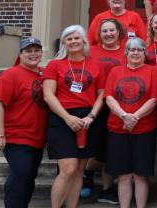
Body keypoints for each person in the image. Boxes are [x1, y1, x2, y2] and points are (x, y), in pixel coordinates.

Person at [43, 25, 106, 208]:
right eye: (69, 39)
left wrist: (91, 117)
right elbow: (48, 95)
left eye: (77, 38)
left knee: (79, 170)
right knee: (68, 168)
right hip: (62, 117)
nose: (73, 41)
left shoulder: (96, 64)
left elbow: (102, 94)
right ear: (64, 42)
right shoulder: (55, 65)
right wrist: (67, 118)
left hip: (87, 119)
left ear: (84, 41)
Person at [0, 38, 47, 208]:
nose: (33, 54)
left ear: (42, 53)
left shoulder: (45, 74)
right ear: (20, 54)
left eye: (37, 50)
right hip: (16, 137)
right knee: (22, 173)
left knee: (28, 177)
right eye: (28, 51)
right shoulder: (10, 75)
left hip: (38, 138)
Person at [104, 38, 157, 208]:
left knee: (140, 175)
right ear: (126, 53)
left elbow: (154, 99)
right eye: (131, 50)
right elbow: (109, 97)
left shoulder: (153, 72)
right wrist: (124, 116)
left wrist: (134, 117)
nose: (135, 53)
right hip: (118, 129)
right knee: (123, 175)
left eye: (139, 50)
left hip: (144, 130)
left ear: (145, 53)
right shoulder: (115, 72)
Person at [85, 19, 128, 203]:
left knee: (110, 150)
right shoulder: (90, 51)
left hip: (119, 107)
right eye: (104, 31)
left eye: (112, 30)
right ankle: (86, 173)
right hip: (95, 105)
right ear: (99, 34)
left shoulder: (127, 51)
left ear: (119, 32)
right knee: (97, 148)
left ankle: (106, 189)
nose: (108, 33)